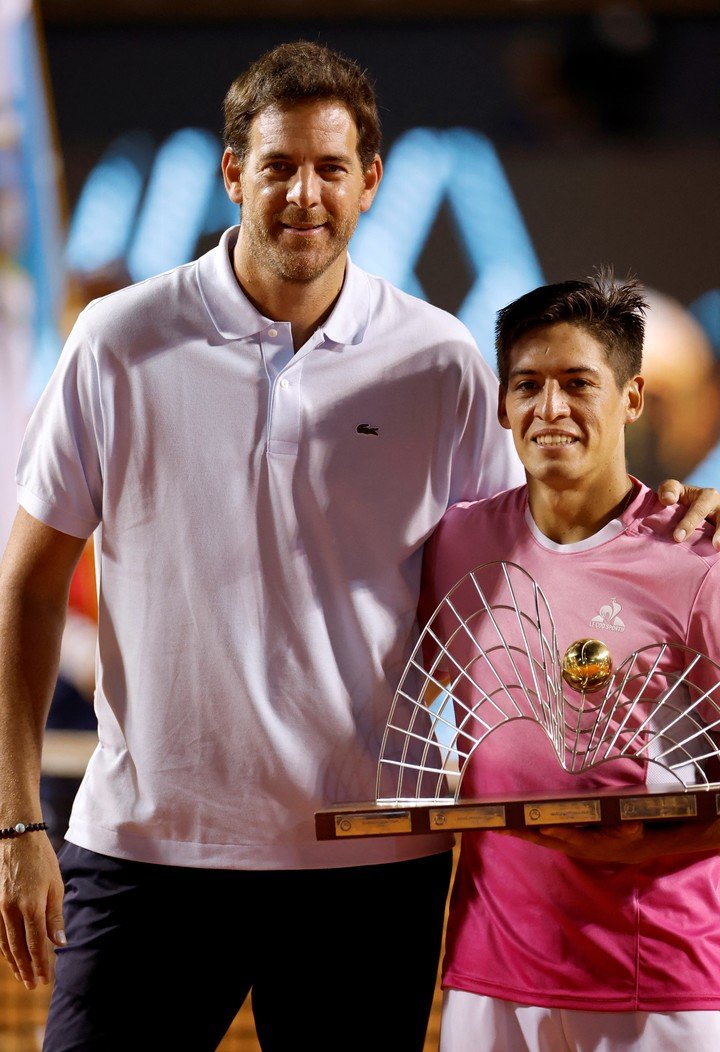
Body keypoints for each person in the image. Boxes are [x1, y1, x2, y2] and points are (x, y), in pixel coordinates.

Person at [0, 41, 715, 1052]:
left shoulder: (439, 360)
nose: (306, 194)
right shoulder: (116, 342)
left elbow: (529, 567)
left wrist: (665, 521)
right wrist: (16, 820)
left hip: (371, 869)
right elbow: (28, 588)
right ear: (232, 171)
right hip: (146, 853)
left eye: (331, 168)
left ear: (371, 180)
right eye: (279, 165)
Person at [420, 272, 720, 1052]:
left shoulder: (696, 554)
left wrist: (651, 844)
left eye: (578, 383)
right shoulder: (454, 543)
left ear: (632, 397)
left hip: (655, 981)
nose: (550, 408)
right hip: (488, 978)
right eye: (528, 385)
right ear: (502, 405)